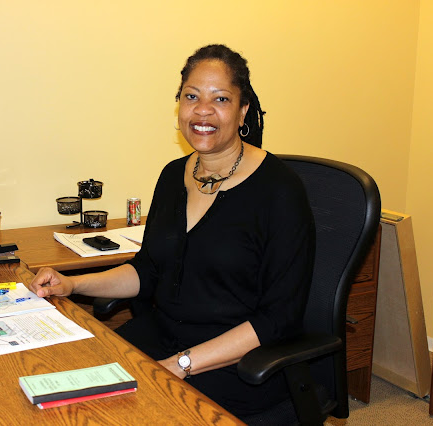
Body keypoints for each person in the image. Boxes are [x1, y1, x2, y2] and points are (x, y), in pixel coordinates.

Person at [29, 44, 315, 418]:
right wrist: (73, 285)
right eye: (191, 96)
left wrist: (180, 365)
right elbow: (148, 270)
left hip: (237, 363)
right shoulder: (172, 175)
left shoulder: (280, 191)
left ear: (243, 110)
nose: (202, 110)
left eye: (221, 99)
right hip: (161, 339)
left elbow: (278, 319)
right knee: (62, 382)